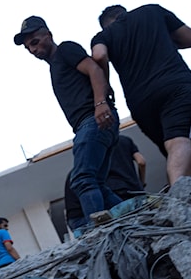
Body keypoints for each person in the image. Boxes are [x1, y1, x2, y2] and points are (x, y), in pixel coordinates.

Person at [14, 15, 121, 233]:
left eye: (35, 42)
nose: (33, 50)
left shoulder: (65, 50)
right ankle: (137, 212)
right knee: (97, 183)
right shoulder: (55, 65)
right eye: (28, 48)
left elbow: (94, 68)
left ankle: (99, 232)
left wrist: (101, 102)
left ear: (48, 36)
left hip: (92, 120)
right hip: (94, 123)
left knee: (82, 179)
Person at [92, 5, 191, 186]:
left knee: (169, 148)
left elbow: (99, 54)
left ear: (106, 25)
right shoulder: (152, 11)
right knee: (177, 140)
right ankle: (182, 194)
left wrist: (106, 85)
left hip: (140, 102)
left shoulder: (103, 36)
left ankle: (182, 191)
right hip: (174, 84)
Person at [64, 134, 147, 235]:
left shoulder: (86, 164)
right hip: (131, 193)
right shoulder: (124, 140)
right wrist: (141, 184)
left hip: (109, 197)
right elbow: (141, 162)